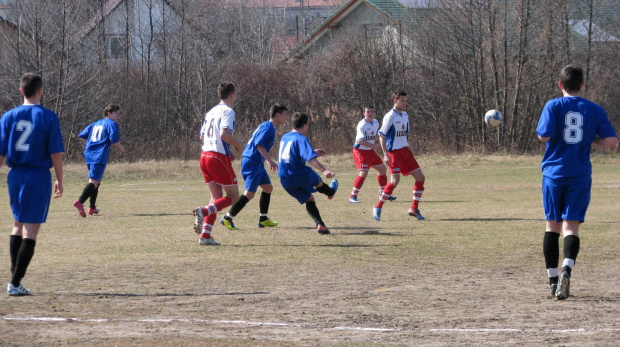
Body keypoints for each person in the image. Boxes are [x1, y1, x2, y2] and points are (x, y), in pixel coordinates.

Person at [536, 65, 617, 300]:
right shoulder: (594, 109)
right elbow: (612, 141)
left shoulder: (553, 105)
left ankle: (552, 281)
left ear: (560, 85)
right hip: (580, 174)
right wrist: (588, 138)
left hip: (554, 174)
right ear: (582, 84)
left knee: (552, 225)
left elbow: (544, 135)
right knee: (571, 226)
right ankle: (566, 270)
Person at [0, 73, 64, 296]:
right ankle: (15, 282)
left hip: (15, 175)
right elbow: (55, 152)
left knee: (17, 224)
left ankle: (15, 277)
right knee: (30, 229)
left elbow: (1, 153)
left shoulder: (8, 116)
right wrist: (60, 179)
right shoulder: (47, 117)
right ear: (40, 90)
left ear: (20, 91)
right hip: (37, 175)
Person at [220, 104, 288, 230]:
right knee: (249, 194)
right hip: (253, 162)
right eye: (284, 115)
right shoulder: (269, 128)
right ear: (277, 115)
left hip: (255, 162)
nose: (286, 118)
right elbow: (259, 145)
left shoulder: (266, 126)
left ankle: (263, 219)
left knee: (268, 188)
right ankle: (227, 217)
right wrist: (270, 161)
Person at [193, 82, 244, 245]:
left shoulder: (211, 111)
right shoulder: (228, 111)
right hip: (216, 157)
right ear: (231, 95)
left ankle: (205, 237)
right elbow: (223, 133)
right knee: (234, 196)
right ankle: (204, 211)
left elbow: (202, 137)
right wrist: (236, 145)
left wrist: (226, 149)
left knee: (216, 198)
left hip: (204, 156)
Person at [278, 112, 338, 234]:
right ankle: (330, 192)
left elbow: (291, 154)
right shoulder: (302, 138)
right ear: (305, 125)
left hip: (284, 179)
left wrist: (312, 151)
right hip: (300, 175)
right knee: (319, 183)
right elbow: (311, 160)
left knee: (309, 199)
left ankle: (320, 225)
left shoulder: (285, 137)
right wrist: (324, 170)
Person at [372, 91, 426, 221]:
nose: (404, 103)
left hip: (405, 151)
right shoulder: (390, 116)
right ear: (394, 101)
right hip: (393, 153)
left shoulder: (405, 115)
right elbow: (381, 135)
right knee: (394, 181)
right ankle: (378, 206)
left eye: (406, 101)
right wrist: (385, 154)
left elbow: (404, 133)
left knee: (420, 177)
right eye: (402, 101)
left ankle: (414, 208)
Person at [73, 104, 125, 217]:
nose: (118, 116)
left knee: (96, 181)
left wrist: (90, 144)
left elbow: (82, 136)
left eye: (119, 113)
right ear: (108, 113)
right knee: (94, 182)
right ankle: (80, 202)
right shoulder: (112, 124)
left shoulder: (96, 123)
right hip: (99, 155)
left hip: (89, 153)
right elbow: (114, 139)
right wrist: (121, 148)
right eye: (116, 113)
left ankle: (92, 208)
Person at [349, 105, 395, 203]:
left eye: (372, 111)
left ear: (374, 113)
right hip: (360, 151)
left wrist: (383, 142)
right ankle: (353, 196)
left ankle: (383, 194)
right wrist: (374, 146)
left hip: (369, 151)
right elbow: (360, 141)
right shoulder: (362, 124)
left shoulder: (375, 122)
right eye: (368, 112)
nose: (370, 113)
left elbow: (376, 135)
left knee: (382, 169)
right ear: (364, 113)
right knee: (363, 172)